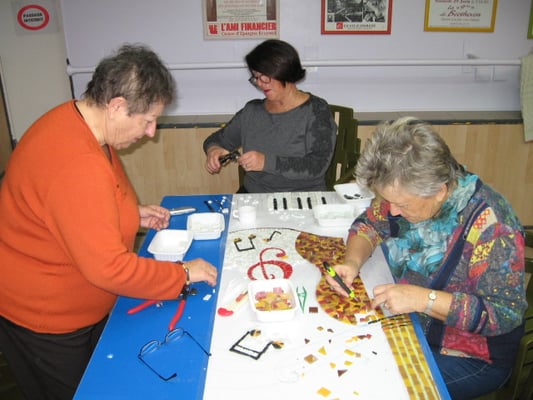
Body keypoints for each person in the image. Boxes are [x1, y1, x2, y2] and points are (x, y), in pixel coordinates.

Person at [0, 44, 218, 400]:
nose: (151, 132)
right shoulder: (76, 163)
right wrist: (181, 274)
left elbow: (76, 207)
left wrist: (130, 213)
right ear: (116, 106)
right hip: (45, 317)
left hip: (78, 301)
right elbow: (109, 269)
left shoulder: (78, 120)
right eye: (147, 120)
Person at [326, 117, 527, 400]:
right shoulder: (407, 189)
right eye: (388, 200)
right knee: (338, 357)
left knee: (372, 387)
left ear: (439, 191)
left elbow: (503, 315)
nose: (392, 211)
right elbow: (369, 223)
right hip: (411, 322)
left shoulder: (492, 228)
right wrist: (352, 263)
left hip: (470, 355)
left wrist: (424, 299)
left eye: (401, 204)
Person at [203, 39, 337, 193]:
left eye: (265, 76)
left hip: (301, 195)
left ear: (285, 71)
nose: (260, 83)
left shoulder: (316, 110)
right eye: (256, 77)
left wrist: (266, 162)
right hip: (255, 193)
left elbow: (317, 165)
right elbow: (216, 140)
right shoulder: (252, 111)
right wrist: (214, 150)